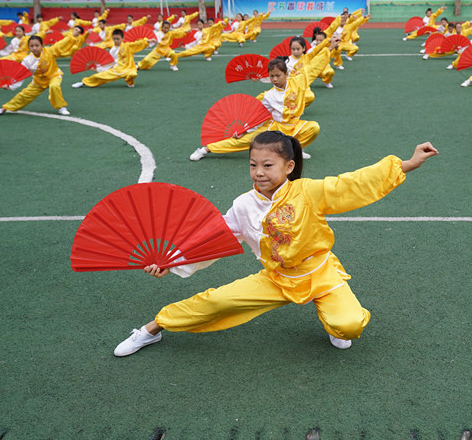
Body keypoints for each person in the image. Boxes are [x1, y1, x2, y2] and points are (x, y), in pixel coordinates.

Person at [113, 131, 439, 357]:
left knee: (348, 327)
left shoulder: (308, 192)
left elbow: (353, 184)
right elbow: (215, 238)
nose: (259, 172)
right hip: (275, 279)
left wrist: (407, 164)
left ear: (289, 167)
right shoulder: (243, 204)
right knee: (214, 302)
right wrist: (171, 261)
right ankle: (152, 328)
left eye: (267, 165)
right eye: (253, 165)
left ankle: (333, 322)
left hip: (320, 274)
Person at [189, 37, 339, 162]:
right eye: (272, 76)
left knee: (314, 128)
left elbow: (314, 66)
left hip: (294, 125)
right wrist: (244, 130)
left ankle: (295, 149)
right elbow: (259, 116)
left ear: (286, 74)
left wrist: (330, 47)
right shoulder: (269, 95)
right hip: (274, 127)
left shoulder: (298, 81)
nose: (274, 79)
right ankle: (206, 149)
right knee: (244, 141)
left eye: (278, 75)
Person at [0, 35, 71, 116]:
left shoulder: (49, 51)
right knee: (24, 95)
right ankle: (3, 109)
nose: (34, 48)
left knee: (54, 86)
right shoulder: (27, 60)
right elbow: (20, 75)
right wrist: (10, 86)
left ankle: (61, 107)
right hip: (39, 81)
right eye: (31, 46)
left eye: (37, 45)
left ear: (42, 46)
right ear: (28, 47)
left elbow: (60, 44)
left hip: (54, 75)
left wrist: (71, 36)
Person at [71, 29, 150, 89]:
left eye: (118, 39)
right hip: (117, 68)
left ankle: (130, 82)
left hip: (129, 68)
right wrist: (92, 50)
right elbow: (104, 51)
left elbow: (139, 43)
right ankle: (83, 82)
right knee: (100, 76)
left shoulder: (127, 46)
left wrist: (148, 41)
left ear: (122, 38)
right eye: (114, 39)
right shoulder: (112, 47)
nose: (116, 41)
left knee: (132, 74)